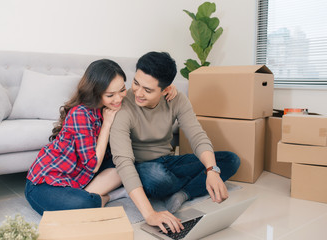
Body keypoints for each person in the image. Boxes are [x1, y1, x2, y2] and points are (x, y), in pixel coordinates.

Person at [25, 59, 177, 215]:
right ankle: (107, 197)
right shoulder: (80, 113)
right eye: (110, 94)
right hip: (47, 182)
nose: (118, 98)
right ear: (96, 93)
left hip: (82, 177)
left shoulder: (113, 104)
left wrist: (167, 91)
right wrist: (106, 125)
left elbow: (144, 95)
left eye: (122, 90)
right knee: (81, 205)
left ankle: (88, 196)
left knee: (125, 164)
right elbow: (92, 165)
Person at [109, 52, 240, 234]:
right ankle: (191, 186)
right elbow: (123, 161)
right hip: (142, 166)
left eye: (147, 90)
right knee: (157, 178)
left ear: (165, 90)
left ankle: (182, 193)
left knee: (230, 160)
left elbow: (197, 136)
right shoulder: (124, 105)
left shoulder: (176, 99)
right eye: (136, 83)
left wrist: (211, 170)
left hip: (169, 162)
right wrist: (150, 214)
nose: (138, 93)